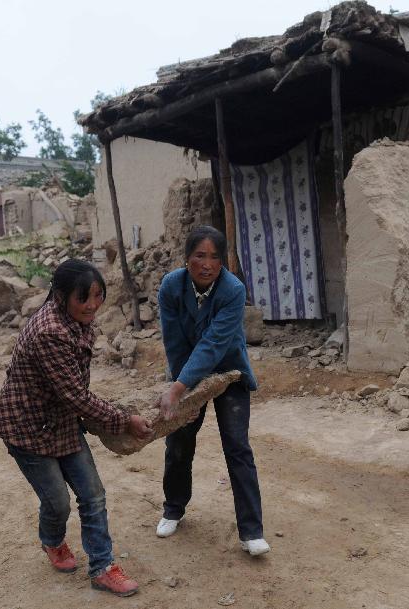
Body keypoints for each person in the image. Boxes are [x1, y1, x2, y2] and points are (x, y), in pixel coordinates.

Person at [0, 259, 153, 597]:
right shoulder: (50, 331)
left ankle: (102, 568)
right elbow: (76, 395)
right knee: (59, 503)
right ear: (61, 296)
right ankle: (51, 540)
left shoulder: (77, 321)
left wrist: (101, 416)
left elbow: (74, 393)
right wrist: (123, 419)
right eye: (84, 298)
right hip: (27, 429)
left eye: (97, 296)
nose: (92, 305)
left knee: (93, 494)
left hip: (62, 421)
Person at [155, 225, 269, 556]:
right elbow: (174, 342)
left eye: (215, 257)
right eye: (199, 256)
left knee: (237, 447)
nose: (207, 264)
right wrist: (182, 387)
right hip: (185, 374)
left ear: (223, 262)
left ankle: (251, 532)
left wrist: (178, 388)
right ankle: (173, 509)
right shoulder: (171, 287)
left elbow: (215, 343)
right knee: (179, 441)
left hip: (229, 372)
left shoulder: (233, 290)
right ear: (187, 258)